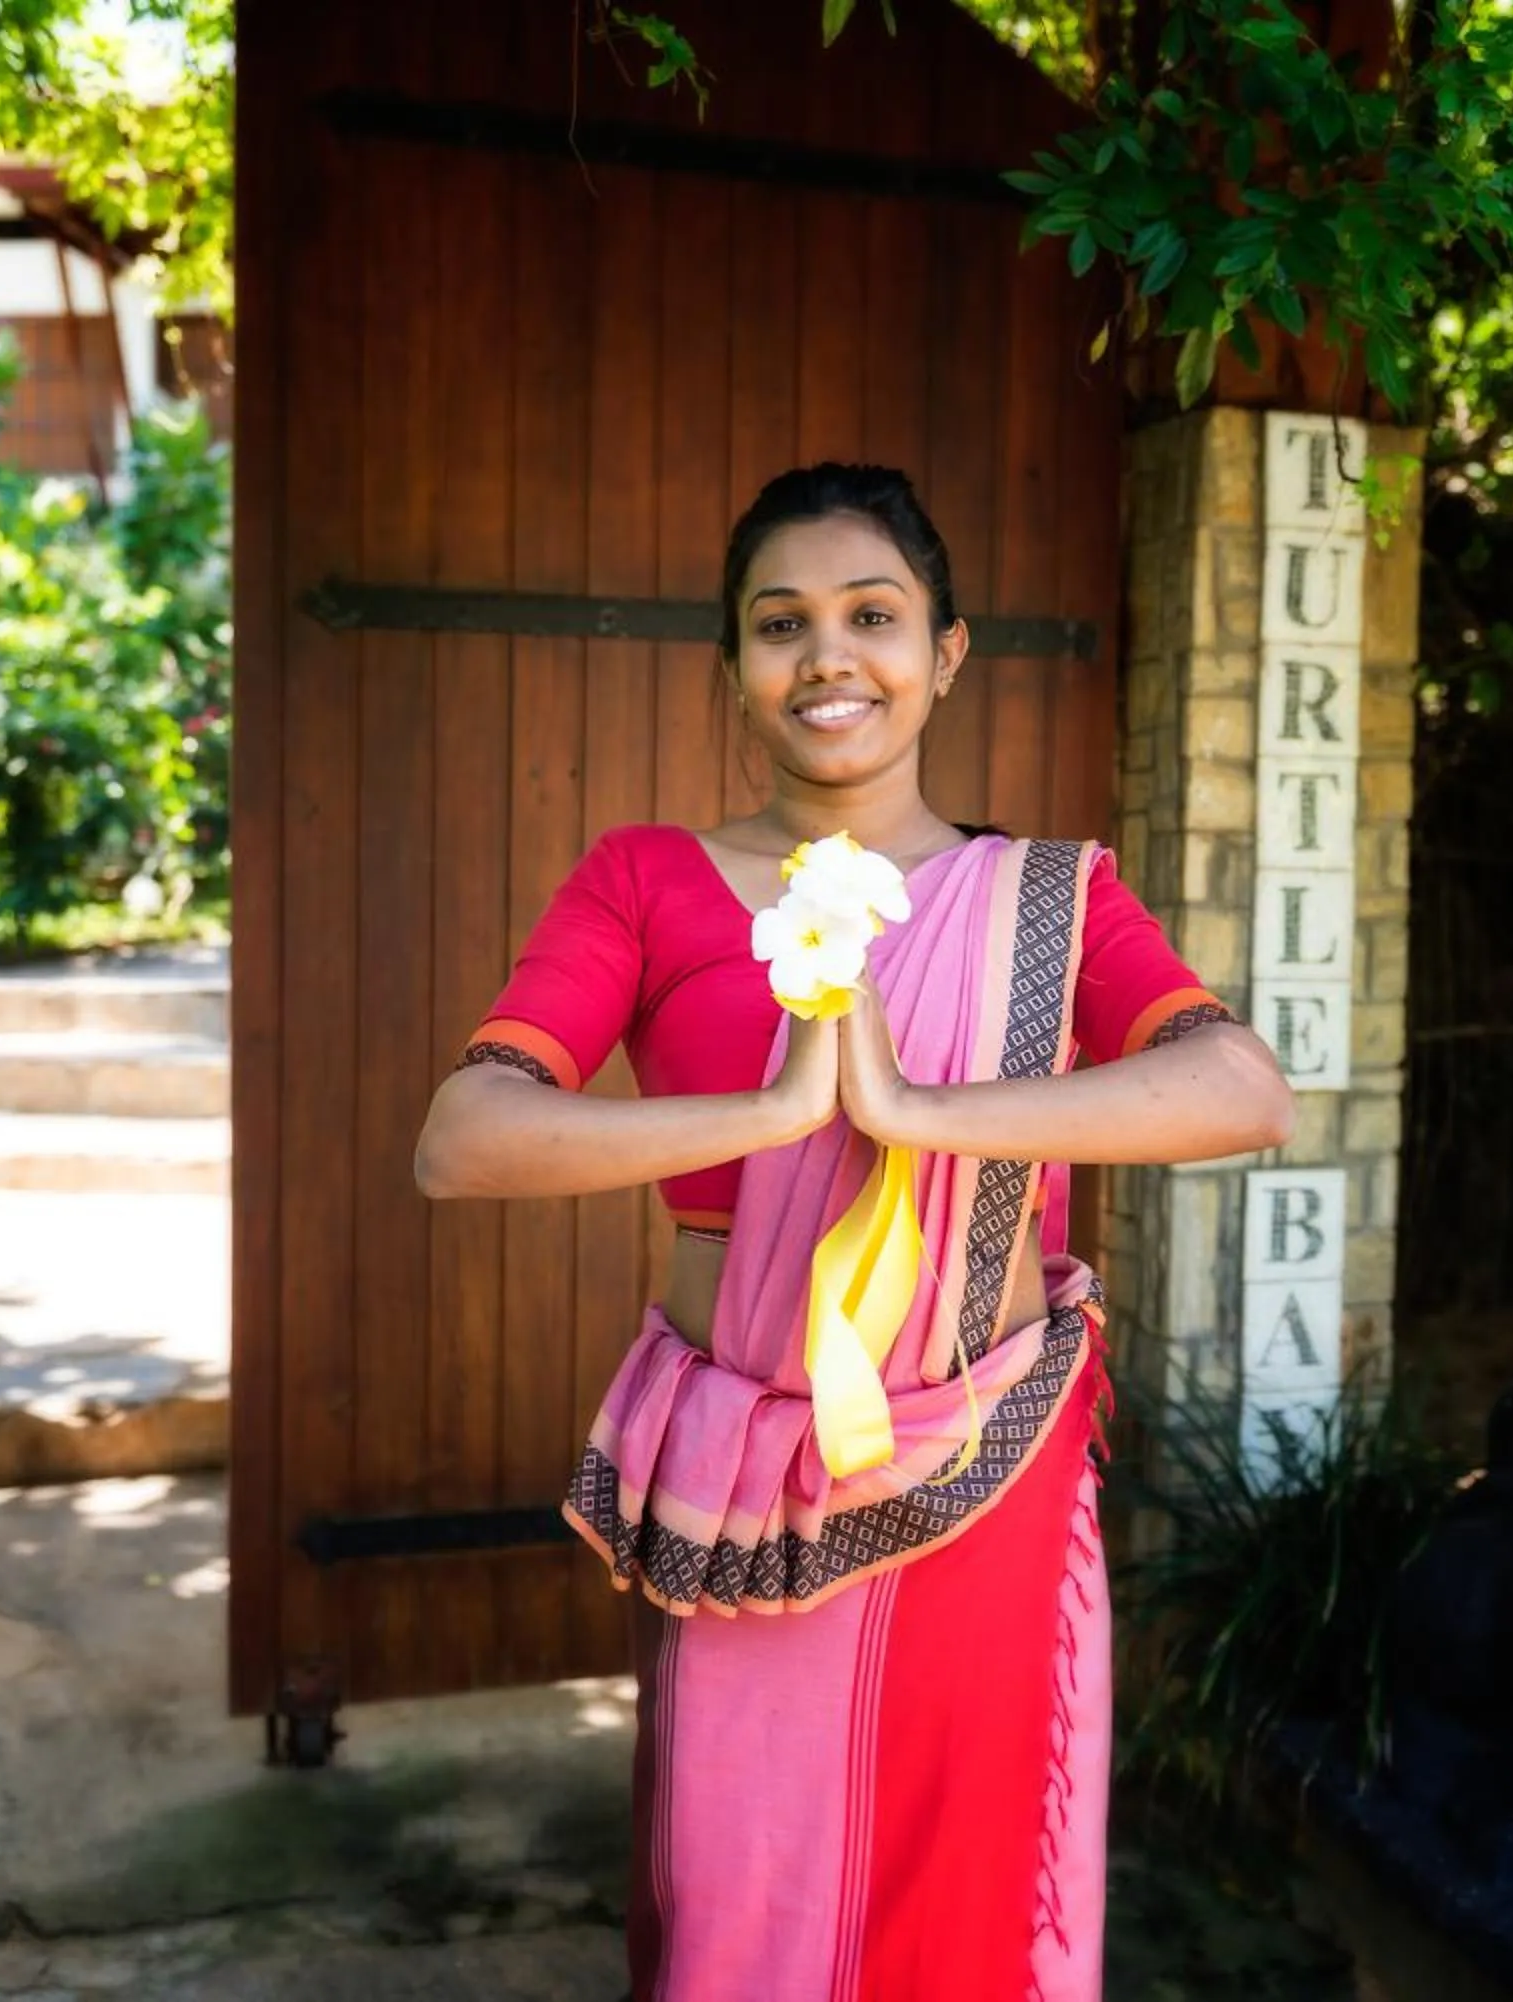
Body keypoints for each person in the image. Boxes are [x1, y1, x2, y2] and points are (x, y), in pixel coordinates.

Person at [415, 463, 1295, 2001]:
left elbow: (1240, 1090)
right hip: (749, 1481)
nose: (830, 656)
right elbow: (461, 1140)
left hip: (984, 1463)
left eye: (873, 615)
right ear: (736, 666)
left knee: (957, 1882)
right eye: (782, 622)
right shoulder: (646, 878)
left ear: (945, 652)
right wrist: (765, 1117)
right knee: (742, 1892)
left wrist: (916, 1107)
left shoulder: (1049, 897)